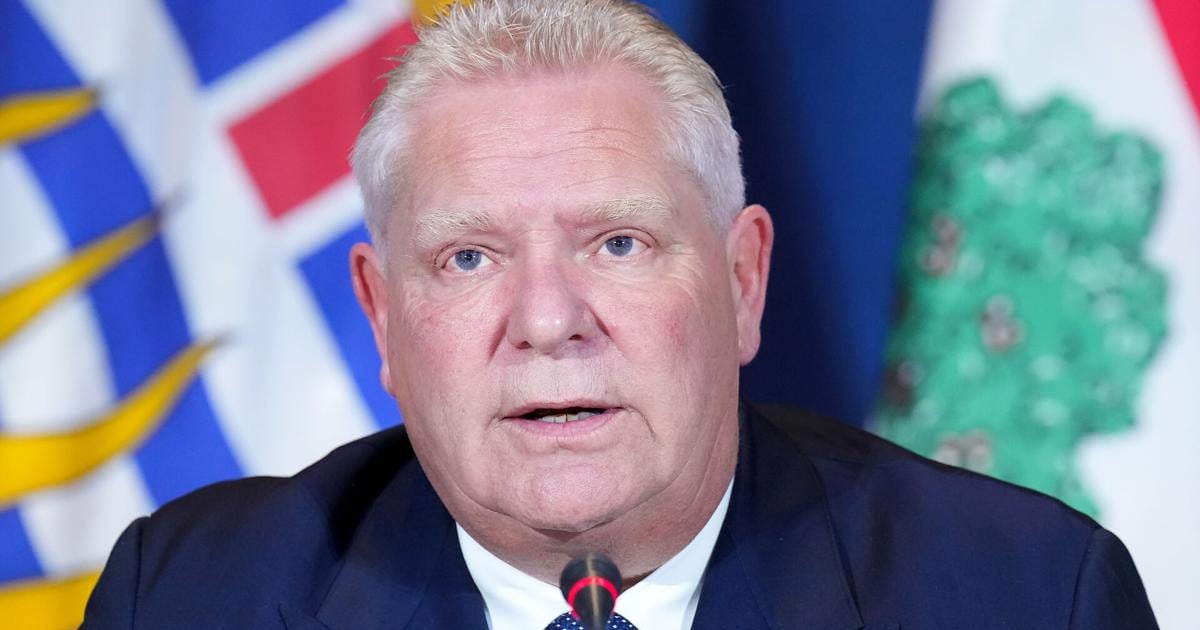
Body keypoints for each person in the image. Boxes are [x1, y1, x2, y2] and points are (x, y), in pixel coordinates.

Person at [82, 1, 1158, 628]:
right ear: (381, 314)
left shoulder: (1024, 596)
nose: (549, 320)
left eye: (618, 244)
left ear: (743, 281)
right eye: (468, 257)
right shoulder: (186, 599)